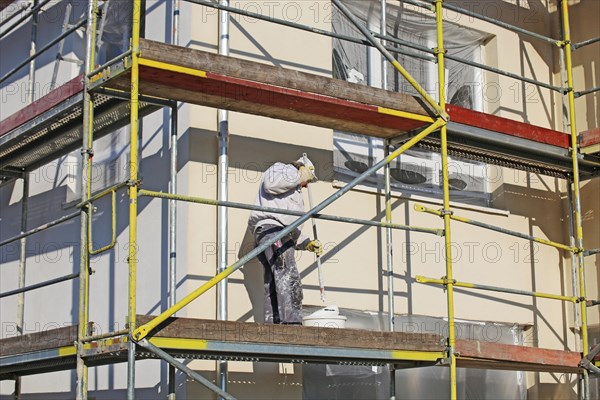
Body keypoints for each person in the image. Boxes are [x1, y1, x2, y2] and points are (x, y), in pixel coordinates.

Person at [247, 156, 323, 324]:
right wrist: (298, 176)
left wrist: (305, 242)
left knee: (275, 280)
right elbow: (271, 184)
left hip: (277, 233)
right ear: (301, 169)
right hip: (272, 231)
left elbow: (290, 225)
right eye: (308, 180)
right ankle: (292, 323)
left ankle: (273, 324)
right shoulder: (283, 169)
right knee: (288, 275)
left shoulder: (292, 192)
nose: (306, 184)